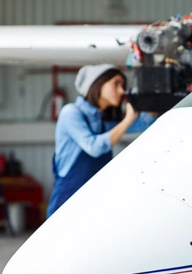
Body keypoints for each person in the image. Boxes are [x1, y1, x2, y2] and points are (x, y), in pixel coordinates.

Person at [47, 64, 157, 218]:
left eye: (123, 85)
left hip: (96, 197)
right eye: (116, 83)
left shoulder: (103, 121)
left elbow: (143, 123)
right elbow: (93, 146)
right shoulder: (71, 113)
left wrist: (152, 102)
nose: (121, 91)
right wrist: (128, 119)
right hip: (68, 197)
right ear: (97, 84)